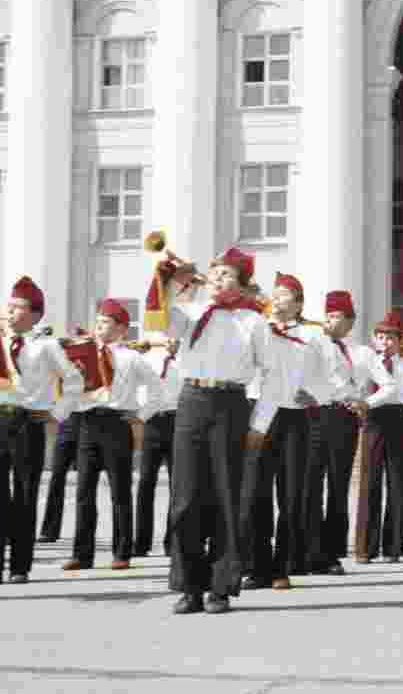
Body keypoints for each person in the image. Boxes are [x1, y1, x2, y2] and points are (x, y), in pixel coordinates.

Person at [158, 246, 272, 615]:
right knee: (186, 496)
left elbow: (272, 373)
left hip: (231, 403)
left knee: (227, 495)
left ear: (241, 283)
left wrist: (261, 422)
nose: (218, 279)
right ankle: (189, 585)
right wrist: (167, 282)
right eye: (215, 272)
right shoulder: (190, 311)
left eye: (226, 274)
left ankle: (221, 586)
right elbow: (158, 322)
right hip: (192, 398)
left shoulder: (253, 321)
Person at [0, 276, 82, 587]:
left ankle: (19, 565)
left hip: (29, 422)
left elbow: (73, 380)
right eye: (9, 306)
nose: (10, 312)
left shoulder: (46, 345)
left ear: (35, 314)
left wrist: (56, 415)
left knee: (24, 493)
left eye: (18, 307)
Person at [241, 272, 325, 591]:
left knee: (290, 495)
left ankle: (281, 566)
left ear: (299, 303)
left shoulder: (312, 335)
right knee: (254, 493)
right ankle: (257, 565)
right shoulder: (256, 328)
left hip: (292, 417)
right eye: (274, 293)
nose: (277, 298)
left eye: (285, 294)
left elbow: (329, 373)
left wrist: (316, 392)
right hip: (259, 413)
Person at [62, 299, 157, 572]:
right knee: (84, 492)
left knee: (120, 491)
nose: (99, 327)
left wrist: (141, 416)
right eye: (98, 322)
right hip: (88, 422)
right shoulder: (83, 354)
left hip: (117, 423)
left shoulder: (131, 357)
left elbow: (157, 390)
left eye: (105, 323)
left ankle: (122, 551)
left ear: (121, 329)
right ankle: (82, 553)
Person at [352, 312, 403, 564]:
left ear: (400, 340)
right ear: (374, 339)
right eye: (380, 336)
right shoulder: (366, 364)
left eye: (390, 337)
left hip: (399, 421)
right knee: (369, 483)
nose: (385, 341)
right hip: (373, 420)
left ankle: (393, 546)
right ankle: (365, 548)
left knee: (398, 485)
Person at [304, 290, 367, 576]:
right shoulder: (314, 342)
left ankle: (332, 553)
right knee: (311, 485)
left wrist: (358, 400)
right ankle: (310, 550)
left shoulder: (353, 351)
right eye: (327, 315)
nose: (329, 320)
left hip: (343, 419)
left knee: (338, 487)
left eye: (336, 315)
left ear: (350, 321)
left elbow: (351, 384)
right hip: (318, 414)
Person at [133, 336, 181, 558]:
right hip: (152, 421)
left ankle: (172, 542)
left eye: (176, 339)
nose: (172, 342)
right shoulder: (150, 359)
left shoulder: (187, 361)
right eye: (168, 339)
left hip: (177, 421)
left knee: (177, 485)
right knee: (145, 483)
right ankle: (141, 542)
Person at [38, 413, 78, 543]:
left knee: (86, 484)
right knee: (56, 478)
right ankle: (49, 531)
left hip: (88, 427)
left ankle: (84, 532)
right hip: (66, 429)